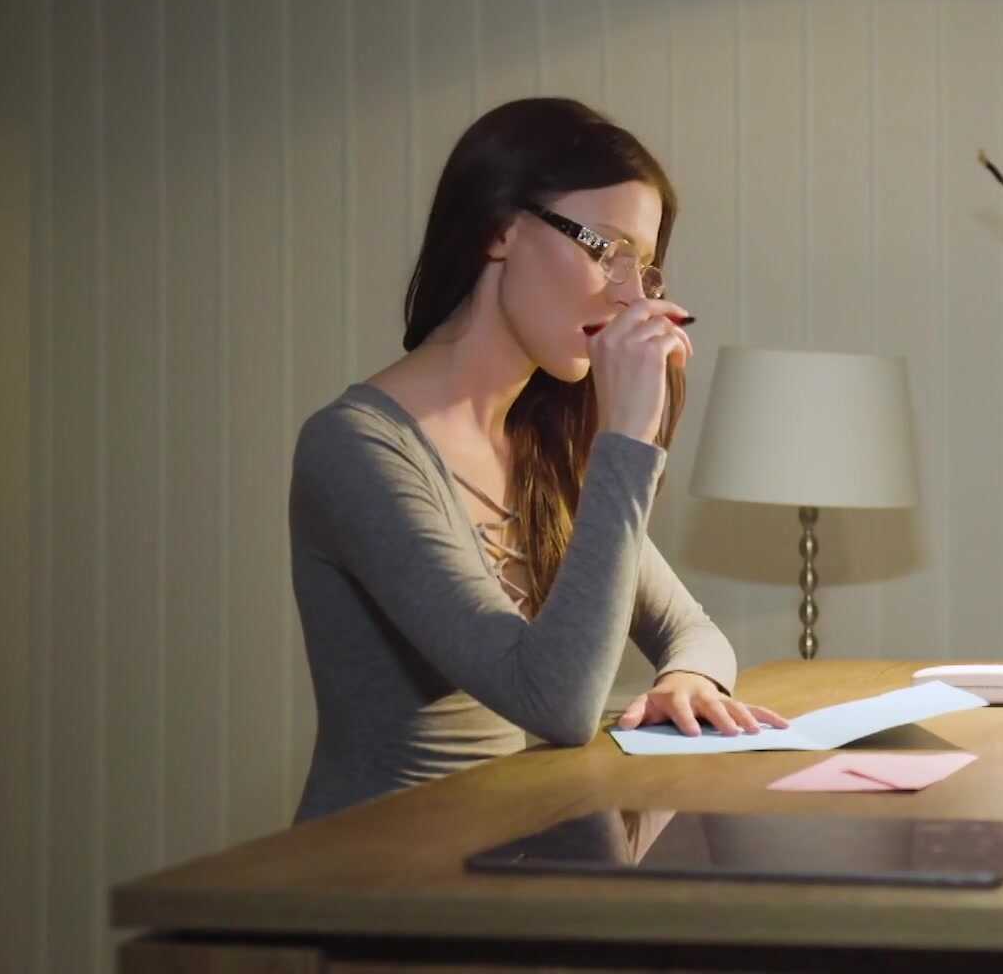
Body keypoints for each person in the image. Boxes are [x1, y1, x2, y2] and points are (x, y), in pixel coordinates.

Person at [287, 98, 786, 823]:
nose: (629, 294)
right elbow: (555, 702)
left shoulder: (540, 448)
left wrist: (687, 681)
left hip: (509, 847)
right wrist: (627, 439)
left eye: (644, 268)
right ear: (499, 229)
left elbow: (694, 631)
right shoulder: (357, 447)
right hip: (383, 867)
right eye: (607, 250)